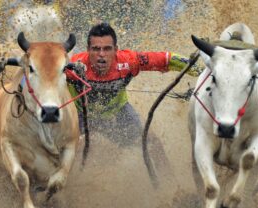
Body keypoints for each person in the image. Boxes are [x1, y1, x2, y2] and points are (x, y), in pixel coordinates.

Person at [67, 22, 202, 146]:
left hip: (118, 112)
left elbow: (166, 59)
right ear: (88, 50)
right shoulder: (73, 66)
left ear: (116, 50)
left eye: (107, 49)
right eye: (96, 49)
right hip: (80, 115)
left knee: (152, 144)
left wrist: (202, 72)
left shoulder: (129, 61)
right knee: (72, 147)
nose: (101, 55)